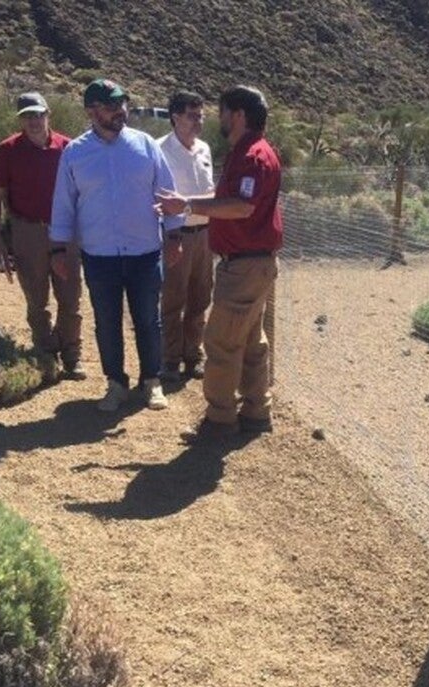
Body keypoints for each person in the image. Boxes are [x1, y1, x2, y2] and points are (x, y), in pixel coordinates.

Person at [50, 79, 184, 412]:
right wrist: (58, 249)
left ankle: (151, 381)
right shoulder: (75, 153)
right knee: (107, 323)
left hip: (145, 252)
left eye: (122, 104)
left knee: (148, 320)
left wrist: (174, 237)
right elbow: (63, 205)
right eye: (111, 106)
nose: (120, 111)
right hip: (100, 256)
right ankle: (116, 384)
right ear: (91, 111)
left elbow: (167, 193)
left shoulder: (145, 145)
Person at [156, 85, 282, 439]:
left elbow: (241, 206)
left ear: (238, 114)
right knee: (251, 339)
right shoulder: (247, 152)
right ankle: (256, 411)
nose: (217, 118)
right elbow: (229, 198)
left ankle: (220, 419)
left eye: (223, 111)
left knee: (222, 341)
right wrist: (187, 204)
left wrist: (186, 205)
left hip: (244, 266)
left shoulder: (252, 156)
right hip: (251, 263)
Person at [0, 91, 85, 380]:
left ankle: (71, 355)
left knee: (70, 296)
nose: (33, 121)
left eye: (38, 114)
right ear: (21, 120)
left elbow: (83, 191)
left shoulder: (68, 147)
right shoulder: (8, 150)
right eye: (27, 116)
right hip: (27, 230)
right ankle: (45, 353)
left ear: (48, 114)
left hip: (65, 231)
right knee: (36, 297)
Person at [157, 91, 215, 383]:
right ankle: (170, 358)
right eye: (192, 116)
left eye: (201, 115)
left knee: (200, 296)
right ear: (175, 117)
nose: (198, 121)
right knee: (173, 297)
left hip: (205, 233)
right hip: (176, 234)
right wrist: (172, 236)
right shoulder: (160, 150)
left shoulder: (204, 148)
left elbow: (210, 191)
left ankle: (193, 354)